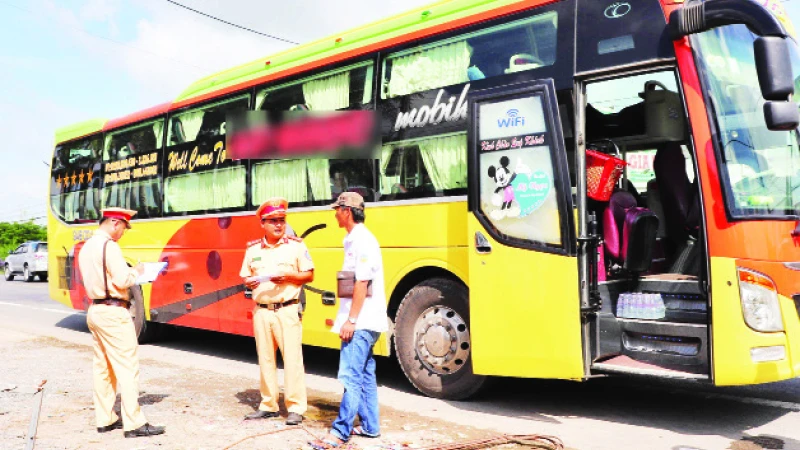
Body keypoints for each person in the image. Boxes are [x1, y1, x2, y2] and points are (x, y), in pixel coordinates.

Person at [78, 207, 165, 438]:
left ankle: (105, 418)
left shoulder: (87, 247)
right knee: (127, 367)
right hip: (114, 312)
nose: (123, 233)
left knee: (103, 368)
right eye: (124, 228)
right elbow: (122, 279)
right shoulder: (110, 246)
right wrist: (136, 271)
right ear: (115, 223)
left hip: (95, 309)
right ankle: (134, 423)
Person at [310, 192, 388, 449]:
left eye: (337, 209)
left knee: (350, 376)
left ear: (347, 211)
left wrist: (351, 320)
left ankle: (340, 432)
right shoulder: (355, 239)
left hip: (362, 321)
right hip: (365, 320)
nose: (334, 214)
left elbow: (361, 283)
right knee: (365, 374)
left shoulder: (362, 241)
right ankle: (370, 426)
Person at [240, 197, 314, 425]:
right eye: (273, 221)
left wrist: (290, 277)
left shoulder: (296, 246)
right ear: (263, 223)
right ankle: (268, 404)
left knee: (292, 360)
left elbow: (309, 274)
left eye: (281, 220)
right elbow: (244, 275)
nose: (279, 225)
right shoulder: (253, 249)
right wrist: (249, 283)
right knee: (266, 359)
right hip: (262, 311)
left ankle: (295, 407)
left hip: (287, 310)